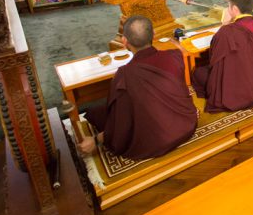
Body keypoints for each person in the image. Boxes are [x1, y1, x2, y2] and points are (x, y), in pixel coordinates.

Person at [80, 16, 197, 159]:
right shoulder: (174, 56)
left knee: (99, 113)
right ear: (154, 35)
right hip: (186, 126)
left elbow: (121, 119)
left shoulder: (125, 74)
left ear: (124, 42)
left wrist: (96, 140)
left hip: (155, 142)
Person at [192, 0, 253, 113]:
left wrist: (225, 23)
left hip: (234, 91)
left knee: (198, 73)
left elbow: (214, 58)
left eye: (229, 6)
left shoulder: (226, 32)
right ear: (252, 8)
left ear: (235, 10)